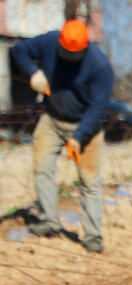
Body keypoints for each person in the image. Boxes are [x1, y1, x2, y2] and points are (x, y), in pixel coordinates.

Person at [11, 19, 114, 253]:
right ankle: (50, 221)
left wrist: (79, 137)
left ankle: (93, 237)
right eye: (65, 52)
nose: (68, 59)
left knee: (89, 182)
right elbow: (19, 50)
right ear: (60, 43)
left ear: (85, 48)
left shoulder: (100, 67)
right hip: (52, 119)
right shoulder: (49, 42)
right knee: (42, 168)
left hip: (86, 126)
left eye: (74, 55)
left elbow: (98, 109)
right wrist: (32, 72)